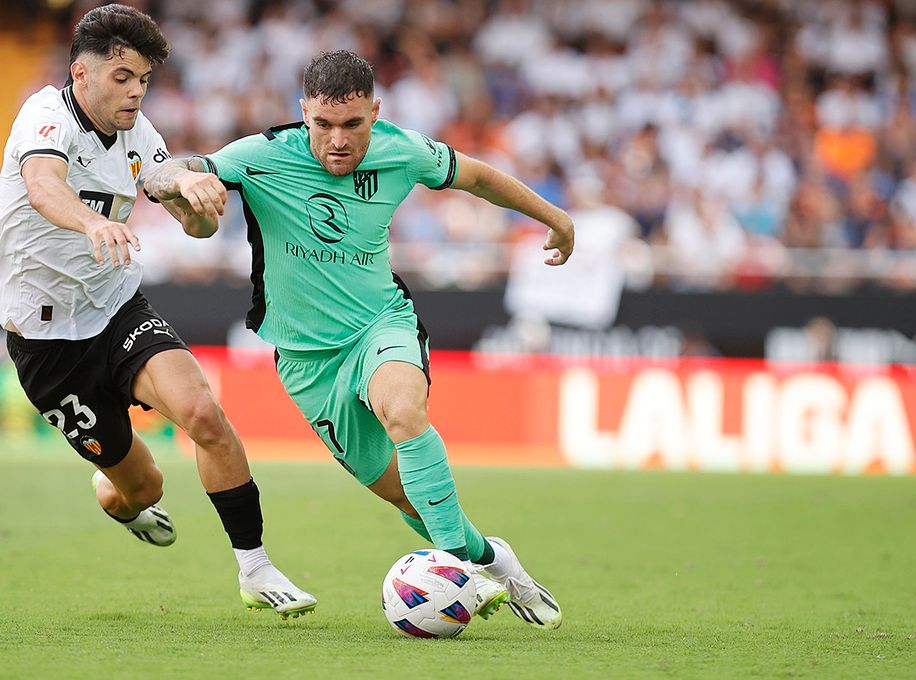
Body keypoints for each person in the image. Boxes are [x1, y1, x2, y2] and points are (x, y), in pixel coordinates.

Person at [145, 49, 573, 630]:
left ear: (375, 111)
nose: (337, 140)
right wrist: (180, 178)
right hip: (305, 362)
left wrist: (555, 217)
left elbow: (478, 177)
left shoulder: (403, 149)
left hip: (380, 325)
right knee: (407, 498)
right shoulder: (264, 155)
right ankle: (493, 560)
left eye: (353, 124)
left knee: (403, 409)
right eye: (323, 125)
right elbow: (169, 170)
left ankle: (450, 569)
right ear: (304, 114)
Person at [0, 4, 315, 619]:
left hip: (117, 308)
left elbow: (191, 226)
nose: (135, 91)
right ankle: (115, 490)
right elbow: (43, 187)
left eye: (143, 79)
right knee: (143, 489)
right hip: (45, 343)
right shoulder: (43, 116)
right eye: (122, 78)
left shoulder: (142, 136)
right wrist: (92, 220)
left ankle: (254, 565)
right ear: (81, 74)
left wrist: (199, 202)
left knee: (203, 413)